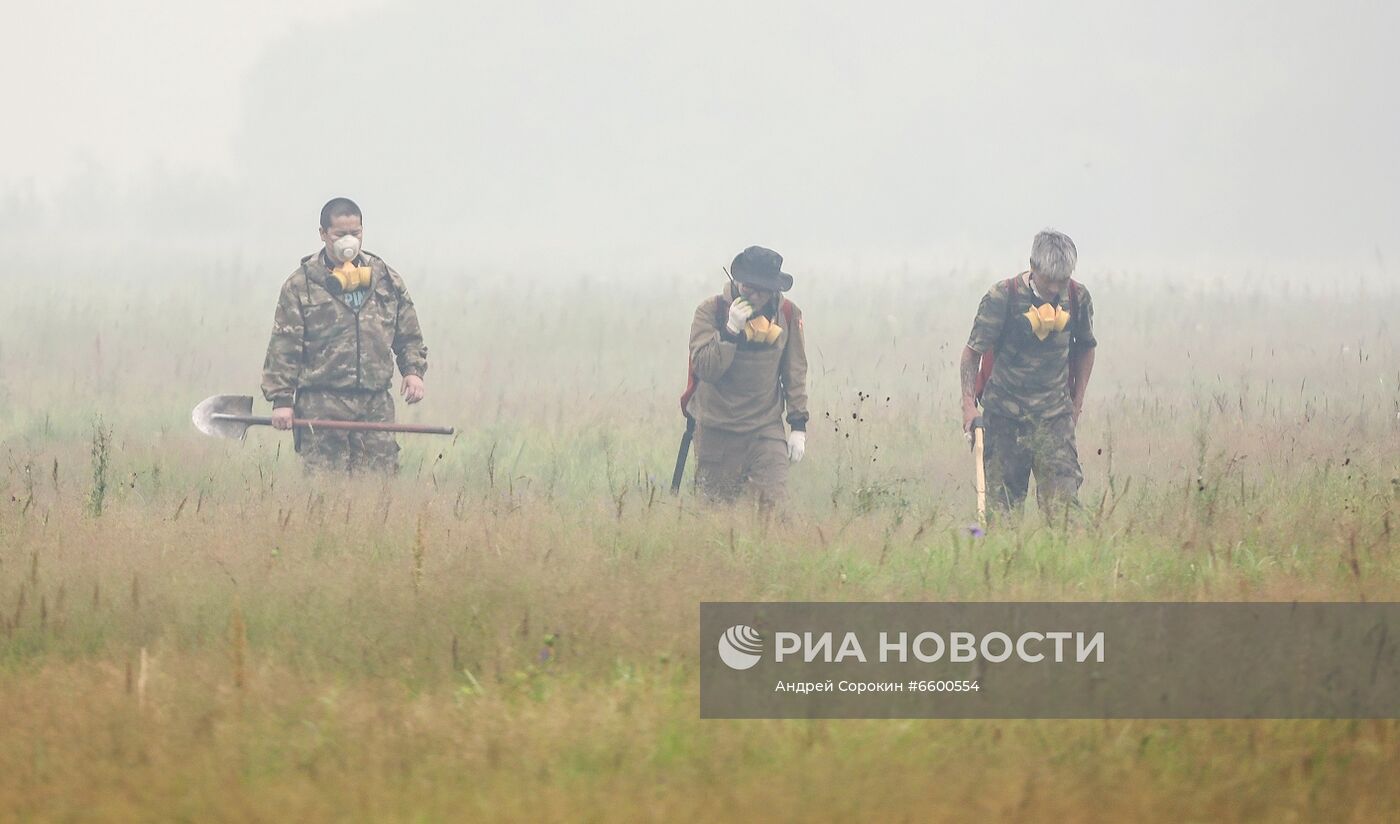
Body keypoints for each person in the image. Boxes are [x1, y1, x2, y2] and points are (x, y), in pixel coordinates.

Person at [260, 197, 429, 474]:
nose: (348, 240)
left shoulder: (386, 278)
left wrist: (413, 371)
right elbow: (284, 347)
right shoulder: (300, 285)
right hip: (321, 405)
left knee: (379, 488)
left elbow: (408, 332)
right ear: (323, 234)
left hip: (375, 405)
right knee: (325, 490)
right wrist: (282, 401)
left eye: (355, 233)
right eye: (340, 234)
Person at [959, 229, 1096, 522]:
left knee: (1063, 512)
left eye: (1063, 280)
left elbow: (1086, 347)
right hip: (1005, 420)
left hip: (1055, 420)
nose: (1056, 289)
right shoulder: (1001, 297)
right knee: (1003, 513)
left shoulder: (1077, 297)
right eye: (1049, 281)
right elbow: (972, 354)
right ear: (1032, 266)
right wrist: (969, 407)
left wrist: (1076, 404)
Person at [684, 246, 809, 509]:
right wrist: (730, 331)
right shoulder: (710, 312)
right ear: (738, 282)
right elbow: (705, 369)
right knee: (714, 514)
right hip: (716, 430)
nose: (756, 296)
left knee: (773, 511)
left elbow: (794, 371)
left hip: (765, 429)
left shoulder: (787, 314)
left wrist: (798, 425)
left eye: (764, 290)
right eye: (750, 288)